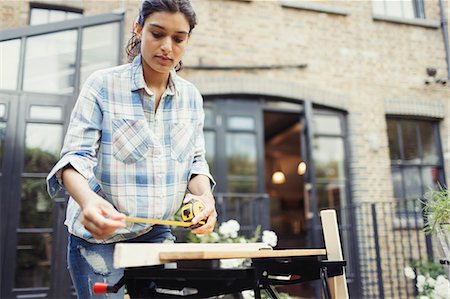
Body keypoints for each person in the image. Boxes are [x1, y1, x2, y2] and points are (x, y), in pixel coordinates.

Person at [46, 0, 216, 297]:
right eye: (157, 34)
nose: (167, 47)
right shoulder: (103, 85)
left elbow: (195, 162)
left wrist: (205, 197)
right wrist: (87, 201)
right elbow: (75, 158)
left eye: (178, 38)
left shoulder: (191, 97)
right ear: (139, 29)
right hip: (97, 241)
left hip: (156, 235)